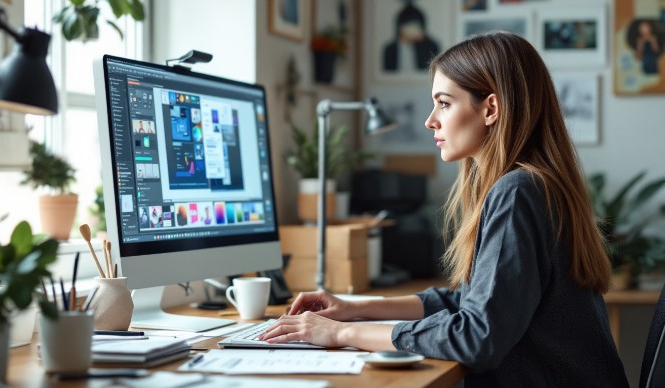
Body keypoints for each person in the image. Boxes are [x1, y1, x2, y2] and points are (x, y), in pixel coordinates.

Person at [259, 31, 629, 387]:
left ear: (491, 109)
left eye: (444, 103)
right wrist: (354, 308)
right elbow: (467, 301)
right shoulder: (534, 185)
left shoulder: (518, 191)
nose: (430, 120)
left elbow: (477, 337)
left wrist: (342, 333)